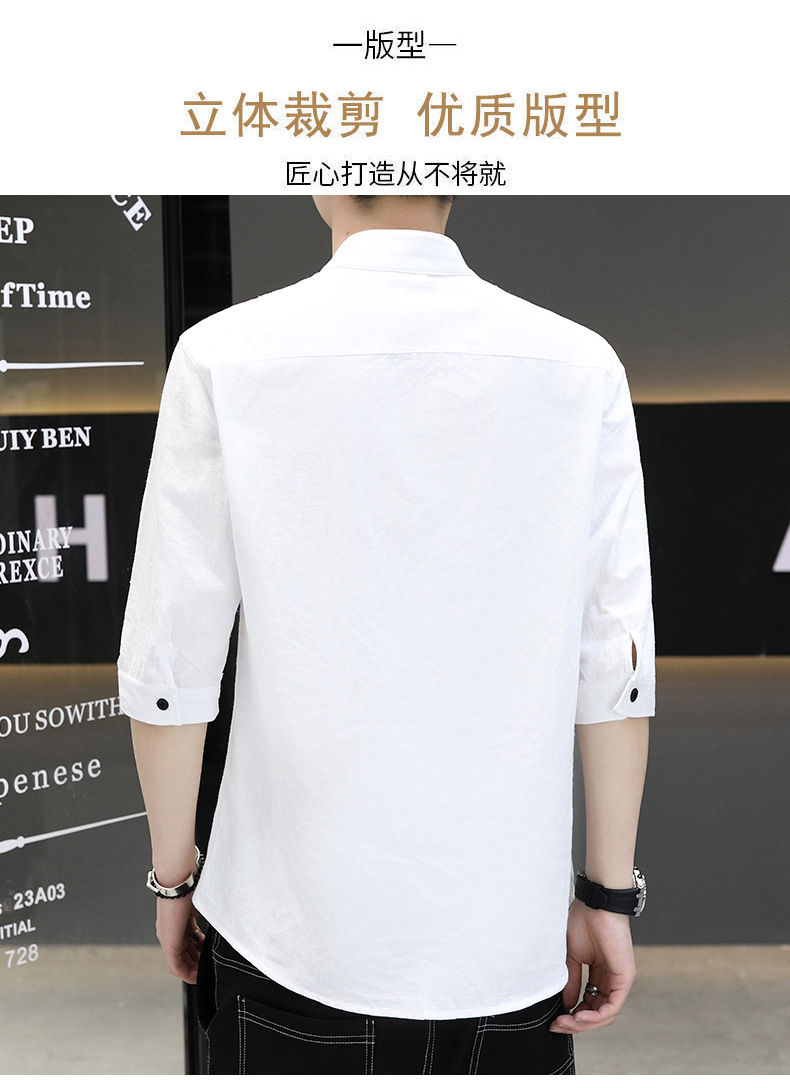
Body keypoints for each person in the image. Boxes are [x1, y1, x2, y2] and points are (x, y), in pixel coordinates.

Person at [118, 195, 654, 1075]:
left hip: (289, 929)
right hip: (505, 940)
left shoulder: (224, 354)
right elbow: (615, 661)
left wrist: (174, 877)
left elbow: (171, 663)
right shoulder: (579, 364)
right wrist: (607, 895)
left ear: (321, 181)